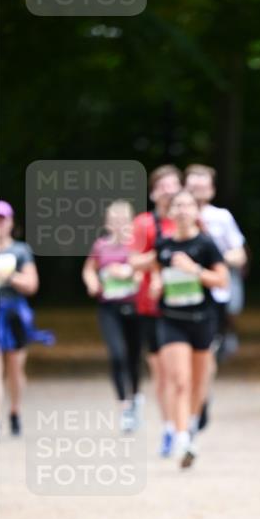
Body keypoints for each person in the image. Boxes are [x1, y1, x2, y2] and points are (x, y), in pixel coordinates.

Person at [152, 189, 229, 468]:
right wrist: (156, 284)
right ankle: (181, 437)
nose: (183, 210)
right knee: (180, 380)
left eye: (188, 205)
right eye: (177, 205)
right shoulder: (163, 246)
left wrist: (193, 269)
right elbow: (155, 274)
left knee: (199, 383)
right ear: (170, 212)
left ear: (196, 212)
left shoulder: (206, 245)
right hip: (171, 320)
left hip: (202, 320)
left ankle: (192, 426)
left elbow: (222, 281)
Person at [130, 165, 182, 455]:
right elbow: (134, 262)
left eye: (173, 185)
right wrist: (162, 257)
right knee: (162, 374)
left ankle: (184, 424)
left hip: (185, 305)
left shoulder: (188, 219)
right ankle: (169, 428)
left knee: (181, 374)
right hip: (150, 307)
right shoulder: (144, 223)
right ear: (153, 192)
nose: (168, 191)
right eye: (163, 186)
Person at [0, 200, 54, 438]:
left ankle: (15, 411)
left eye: (1, 219)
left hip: (14, 314)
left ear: (11, 222)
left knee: (15, 369)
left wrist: (8, 276)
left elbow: (32, 285)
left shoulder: (20, 251)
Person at [82, 200, 142, 432]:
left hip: (135, 306)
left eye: (122, 220)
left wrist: (130, 274)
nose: (118, 224)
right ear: (107, 223)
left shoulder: (137, 245)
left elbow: (147, 269)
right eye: (113, 220)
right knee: (117, 355)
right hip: (109, 308)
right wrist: (92, 282)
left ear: (130, 222)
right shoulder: (101, 246)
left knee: (134, 357)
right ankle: (124, 406)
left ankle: (136, 396)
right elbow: (89, 268)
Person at [184, 163, 248, 361]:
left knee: (208, 341)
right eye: (193, 188)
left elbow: (240, 254)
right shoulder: (174, 215)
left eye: (202, 187)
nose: (197, 193)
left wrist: (216, 260)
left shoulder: (221, 217)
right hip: (183, 286)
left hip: (215, 286)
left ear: (212, 190)